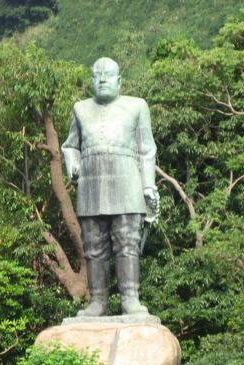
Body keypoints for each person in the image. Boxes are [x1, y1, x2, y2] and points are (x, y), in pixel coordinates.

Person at [62, 57, 159, 317]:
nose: (102, 79)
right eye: (97, 75)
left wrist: (148, 185)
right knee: (93, 245)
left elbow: (147, 150)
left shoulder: (137, 106)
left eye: (108, 75)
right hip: (90, 184)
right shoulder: (80, 109)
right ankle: (98, 301)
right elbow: (70, 145)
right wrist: (72, 165)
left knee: (127, 241)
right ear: (91, 80)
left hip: (126, 181)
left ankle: (130, 298)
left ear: (119, 81)